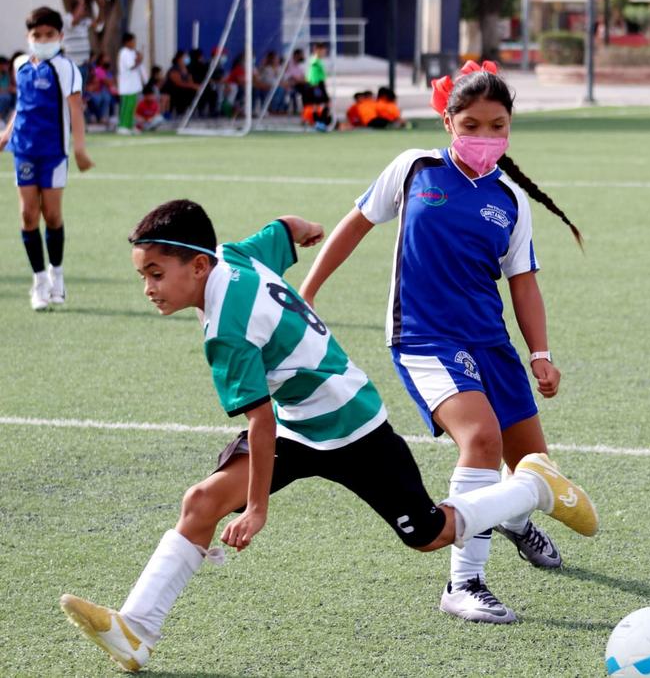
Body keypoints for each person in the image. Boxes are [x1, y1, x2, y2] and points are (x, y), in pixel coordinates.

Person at [58, 199, 597, 672]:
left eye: (155, 273)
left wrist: (256, 509)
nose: (147, 288)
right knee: (200, 501)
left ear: (199, 265)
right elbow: (284, 227)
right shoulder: (234, 255)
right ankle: (136, 632)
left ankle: (534, 487)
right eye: (141, 275)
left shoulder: (225, 327)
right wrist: (305, 228)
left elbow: (260, 422)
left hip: (351, 424)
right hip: (300, 423)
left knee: (429, 532)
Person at [299, 61, 584, 623]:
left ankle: (511, 518)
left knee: (532, 465)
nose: (484, 137)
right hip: (424, 338)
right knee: (479, 441)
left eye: (497, 125)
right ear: (448, 122)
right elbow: (353, 225)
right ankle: (464, 584)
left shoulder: (510, 200)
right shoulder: (414, 169)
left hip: (490, 342)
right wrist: (305, 294)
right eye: (471, 124)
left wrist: (541, 355)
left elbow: (523, 285)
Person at [0, 7, 93, 311]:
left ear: (59, 36)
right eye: (36, 35)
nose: (42, 40)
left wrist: (79, 148)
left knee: (51, 215)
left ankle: (57, 274)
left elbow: (76, 109)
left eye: (49, 35)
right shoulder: (21, 64)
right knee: (28, 215)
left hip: (53, 152)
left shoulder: (65, 68)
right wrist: (6, 134)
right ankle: (39, 282)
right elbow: (22, 104)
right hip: (24, 149)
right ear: (28, 37)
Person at [116, 32, 145, 135]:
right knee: (126, 106)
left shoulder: (132, 52)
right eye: (133, 41)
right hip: (127, 85)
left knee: (133, 107)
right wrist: (139, 59)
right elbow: (131, 66)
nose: (134, 43)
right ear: (127, 42)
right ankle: (123, 126)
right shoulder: (124, 52)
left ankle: (130, 125)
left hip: (134, 85)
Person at [163, 50, 198, 117]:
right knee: (184, 92)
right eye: (185, 57)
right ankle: (179, 111)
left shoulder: (187, 69)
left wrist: (194, 85)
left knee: (193, 91)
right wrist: (192, 86)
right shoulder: (174, 69)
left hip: (183, 89)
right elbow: (178, 83)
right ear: (179, 58)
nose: (187, 59)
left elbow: (190, 81)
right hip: (173, 90)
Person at [0, 56, 15, 123]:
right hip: (3, 96)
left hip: (7, 95)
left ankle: (11, 117)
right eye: (6, 65)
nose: (7, 67)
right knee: (5, 97)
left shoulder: (6, 75)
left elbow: (10, 86)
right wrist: (8, 89)